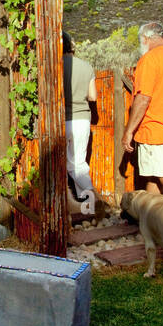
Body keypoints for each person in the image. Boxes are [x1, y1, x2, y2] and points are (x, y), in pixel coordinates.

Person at [121, 21, 163, 199]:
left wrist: (129, 131)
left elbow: (143, 98)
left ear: (146, 38)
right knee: (154, 178)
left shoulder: (150, 59)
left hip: (157, 131)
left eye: (140, 40)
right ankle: (150, 223)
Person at [62, 32, 97, 206]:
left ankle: (92, 199)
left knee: (71, 166)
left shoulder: (55, 66)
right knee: (79, 163)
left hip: (63, 120)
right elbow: (92, 96)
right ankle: (86, 207)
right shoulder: (86, 66)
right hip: (83, 119)